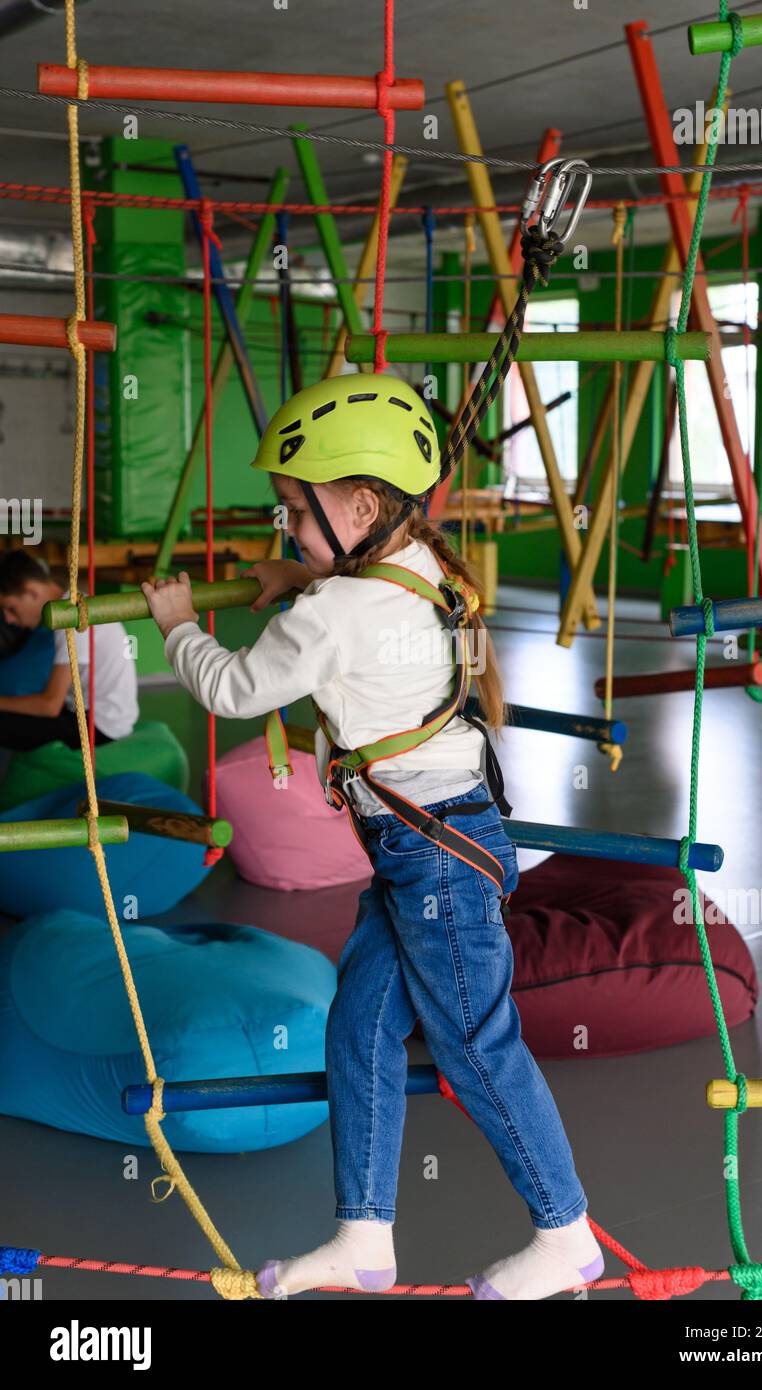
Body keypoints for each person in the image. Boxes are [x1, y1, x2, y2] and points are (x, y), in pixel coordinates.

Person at [141, 372, 603, 1301]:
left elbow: (233, 687)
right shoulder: (414, 569)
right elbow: (348, 599)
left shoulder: (337, 609)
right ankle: (363, 1236)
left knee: (476, 1045)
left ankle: (567, 1234)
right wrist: (300, 571)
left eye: (295, 517)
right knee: (359, 1031)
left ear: (358, 505)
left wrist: (180, 625)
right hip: (432, 848)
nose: (288, 533)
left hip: (434, 859)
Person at [0, 550, 139, 750]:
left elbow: (49, 706)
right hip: (98, 713)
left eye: (11, 608)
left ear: (32, 591)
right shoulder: (73, 604)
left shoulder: (71, 618)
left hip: (100, 726)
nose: (8, 619)